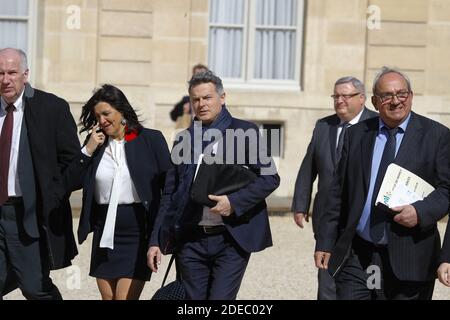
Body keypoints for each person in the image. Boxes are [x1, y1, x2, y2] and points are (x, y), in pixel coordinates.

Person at [314, 67, 450, 300]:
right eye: (387, 96)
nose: (396, 101)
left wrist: (420, 211)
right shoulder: (356, 134)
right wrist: (325, 241)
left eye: (401, 94)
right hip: (358, 256)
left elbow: (447, 190)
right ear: (375, 102)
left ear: (411, 96)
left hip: (411, 257)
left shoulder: (437, 136)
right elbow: (337, 192)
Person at [148, 70, 280, 300]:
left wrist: (234, 202)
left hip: (231, 238)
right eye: (196, 99)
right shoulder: (183, 138)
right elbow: (170, 193)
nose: (201, 104)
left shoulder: (245, 131)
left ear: (222, 97)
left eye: (207, 97)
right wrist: (156, 241)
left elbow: (270, 178)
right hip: (191, 239)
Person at [66, 84, 171, 300]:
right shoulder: (96, 144)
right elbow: (71, 181)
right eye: (98, 116)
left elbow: (169, 187)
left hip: (137, 232)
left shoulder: (150, 139)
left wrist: (159, 236)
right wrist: (87, 150)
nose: (102, 120)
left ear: (121, 111)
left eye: (106, 113)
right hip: (105, 232)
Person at [0, 48, 80, 299]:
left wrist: (52, 196)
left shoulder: (51, 108)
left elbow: (71, 161)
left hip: (26, 214)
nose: (5, 79)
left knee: (35, 288)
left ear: (26, 74)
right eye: (0, 73)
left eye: (12, 72)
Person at [291, 76, 377, 300]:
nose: (339, 100)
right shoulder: (323, 126)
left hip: (362, 216)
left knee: (364, 275)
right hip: (327, 215)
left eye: (345, 96)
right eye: (336, 96)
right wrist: (301, 204)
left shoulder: (376, 125)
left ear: (361, 98)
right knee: (327, 273)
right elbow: (308, 167)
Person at [170, 64, 209, 133]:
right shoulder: (186, 100)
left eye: (203, 75)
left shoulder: (212, 100)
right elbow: (173, 116)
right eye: (197, 75)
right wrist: (184, 112)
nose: (200, 78)